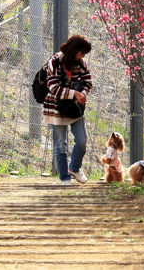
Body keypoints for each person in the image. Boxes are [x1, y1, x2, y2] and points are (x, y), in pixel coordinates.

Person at [43, 34, 94, 185]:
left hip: (75, 108)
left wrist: (82, 94)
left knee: (82, 141)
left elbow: (88, 80)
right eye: (82, 52)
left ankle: (74, 168)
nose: (83, 56)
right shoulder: (54, 62)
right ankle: (64, 177)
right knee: (61, 144)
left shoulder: (81, 62)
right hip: (56, 108)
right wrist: (74, 94)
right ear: (74, 51)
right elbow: (53, 87)